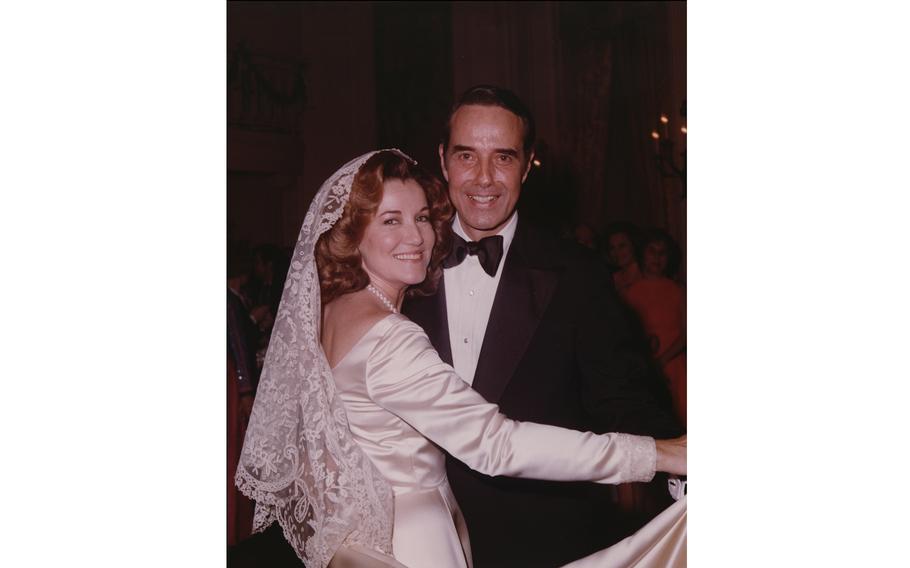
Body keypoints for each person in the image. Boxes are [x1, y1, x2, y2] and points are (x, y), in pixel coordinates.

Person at [235, 149, 687, 568]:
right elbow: (497, 444)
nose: (417, 236)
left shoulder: (330, 310)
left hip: (365, 538)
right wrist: (657, 453)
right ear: (353, 235)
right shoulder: (390, 336)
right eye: (391, 220)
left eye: (423, 217)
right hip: (415, 540)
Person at [403, 85, 683, 567]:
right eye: (468, 155)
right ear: (444, 160)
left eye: (504, 157)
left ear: (529, 164)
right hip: (415, 541)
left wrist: (682, 468)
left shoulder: (579, 274)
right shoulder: (401, 265)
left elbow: (623, 398)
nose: (484, 178)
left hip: (545, 544)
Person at [623, 228, 687, 427]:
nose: (657, 257)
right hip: (644, 369)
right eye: (652, 251)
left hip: (674, 367)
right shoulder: (630, 292)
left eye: (663, 253)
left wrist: (662, 361)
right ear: (642, 253)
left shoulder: (679, 292)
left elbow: (686, 335)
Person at [604, 222, 643, 292]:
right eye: (612, 248)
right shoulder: (613, 278)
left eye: (622, 246)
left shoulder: (646, 275)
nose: (616, 252)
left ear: (634, 245)